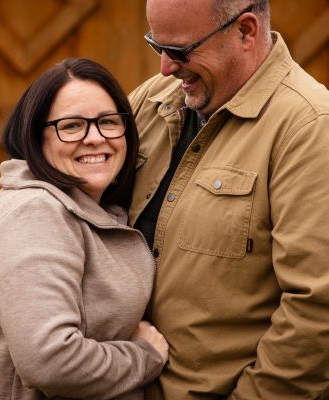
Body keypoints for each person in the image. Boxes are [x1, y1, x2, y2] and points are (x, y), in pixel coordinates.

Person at [128, 0, 329, 398]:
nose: (165, 68)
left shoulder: (309, 128)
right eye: (157, 46)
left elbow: (316, 309)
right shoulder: (153, 99)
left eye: (181, 51)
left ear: (246, 32)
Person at [0, 58, 169, 400]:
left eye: (107, 122)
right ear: (36, 138)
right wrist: (144, 357)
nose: (94, 138)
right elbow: (50, 361)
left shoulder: (95, 211)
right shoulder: (34, 214)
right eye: (72, 126)